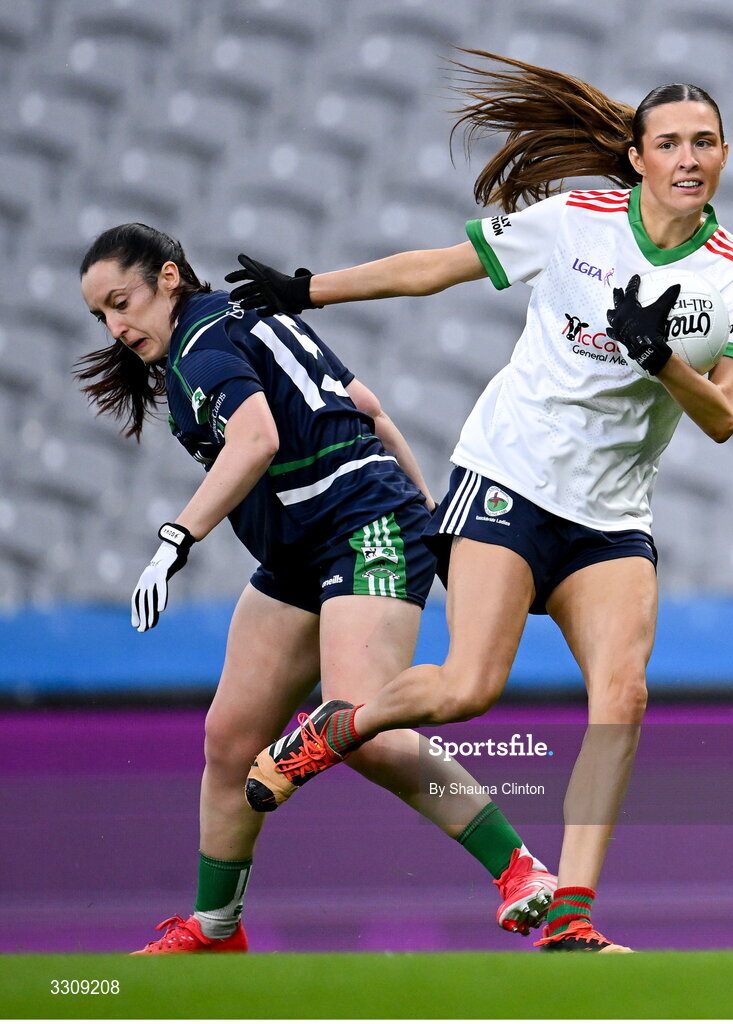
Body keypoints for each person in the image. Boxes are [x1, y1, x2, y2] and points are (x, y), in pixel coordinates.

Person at [226, 51, 733, 953]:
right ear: (635, 157)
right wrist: (304, 291)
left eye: (703, 141)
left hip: (610, 517)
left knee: (622, 699)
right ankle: (337, 726)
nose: (687, 156)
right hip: (508, 479)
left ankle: (570, 915)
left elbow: (723, 417)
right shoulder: (572, 221)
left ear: (723, 154)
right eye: (667, 141)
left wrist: (660, 359)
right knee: (468, 689)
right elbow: (437, 268)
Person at [76, 222, 557, 954]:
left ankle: (520, 871)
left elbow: (257, 440)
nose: (116, 326)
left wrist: (175, 538)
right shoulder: (249, 319)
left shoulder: (204, 348)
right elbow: (370, 408)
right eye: (100, 316)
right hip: (305, 545)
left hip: (359, 526)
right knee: (231, 739)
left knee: (360, 730)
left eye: (122, 301)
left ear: (169, 276)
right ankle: (215, 929)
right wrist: (427, 515)